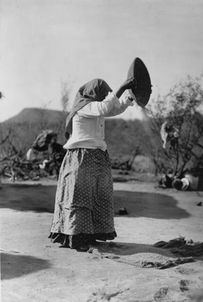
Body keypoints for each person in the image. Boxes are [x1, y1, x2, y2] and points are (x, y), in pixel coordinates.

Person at [49, 78, 137, 251]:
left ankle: (91, 234)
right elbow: (106, 107)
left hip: (97, 156)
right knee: (80, 196)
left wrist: (127, 99)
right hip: (81, 156)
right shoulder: (84, 108)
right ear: (94, 93)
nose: (106, 96)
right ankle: (76, 237)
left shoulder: (95, 109)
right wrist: (122, 87)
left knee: (98, 196)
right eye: (103, 93)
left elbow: (112, 109)